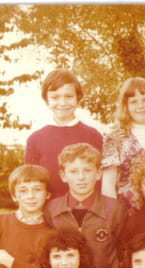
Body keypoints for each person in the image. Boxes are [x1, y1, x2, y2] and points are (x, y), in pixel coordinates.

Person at [44, 143, 125, 268]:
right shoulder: (52, 209)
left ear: (98, 173)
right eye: (73, 171)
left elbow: (124, 251)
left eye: (87, 170)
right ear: (63, 175)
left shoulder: (115, 208)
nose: (81, 177)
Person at [24, 69, 102, 198]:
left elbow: (100, 180)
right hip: (49, 208)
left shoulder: (93, 136)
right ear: (46, 99)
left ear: (78, 98)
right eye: (55, 97)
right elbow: (30, 183)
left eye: (69, 96)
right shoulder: (35, 139)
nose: (63, 103)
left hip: (88, 207)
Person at [101, 77, 145, 211]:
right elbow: (108, 185)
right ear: (125, 106)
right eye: (134, 102)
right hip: (125, 212)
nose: (140, 106)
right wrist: (113, 214)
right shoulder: (114, 138)